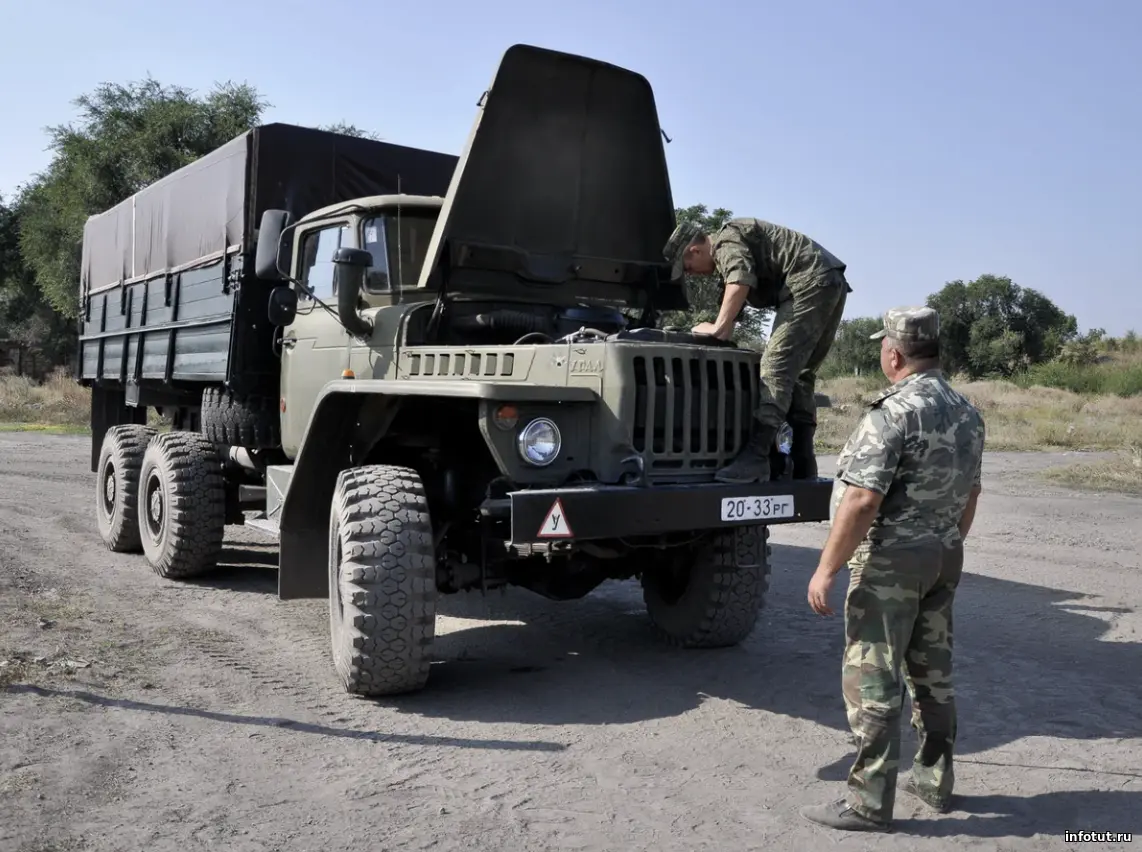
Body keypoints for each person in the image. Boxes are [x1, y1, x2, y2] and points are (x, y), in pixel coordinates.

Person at [798, 305, 986, 833]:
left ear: (894, 353)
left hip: (891, 563)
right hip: (944, 554)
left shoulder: (892, 413)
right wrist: (944, 545)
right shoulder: (967, 411)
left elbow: (861, 500)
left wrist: (825, 569)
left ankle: (868, 803)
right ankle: (933, 780)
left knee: (874, 676)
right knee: (932, 673)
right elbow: (970, 495)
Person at [662, 217, 851, 483]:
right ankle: (803, 462)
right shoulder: (728, 258)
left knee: (775, 368)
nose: (691, 273)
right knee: (801, 375)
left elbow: (738, 283)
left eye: (688, 267)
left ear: (695, 250)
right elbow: (729, 313)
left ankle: (756, 458)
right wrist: (715, 325)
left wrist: (714, 326)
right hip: (829, 279)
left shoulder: (725, 241)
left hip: (808, 280)